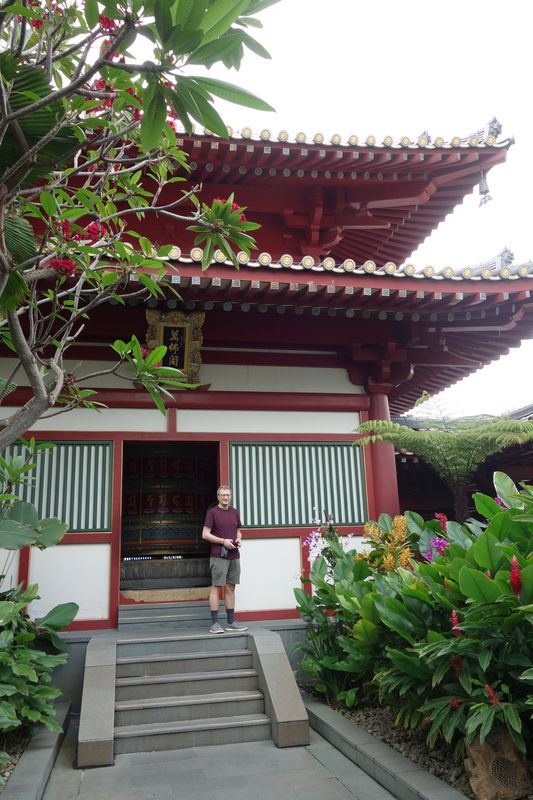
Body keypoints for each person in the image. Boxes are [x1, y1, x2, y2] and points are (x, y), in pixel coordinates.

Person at [201, 485, 248, 634]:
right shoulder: (212, 512)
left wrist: (238, 540)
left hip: (234, 555)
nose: (226, 497)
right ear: (218, 497)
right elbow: (205, 534)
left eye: (228, 495)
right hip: (218, 555)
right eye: (223, 495)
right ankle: (214, 624)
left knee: (230, 587)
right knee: (216, 587)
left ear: (231, 496)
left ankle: (231, 621)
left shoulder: (234, 512)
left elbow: (238, 532)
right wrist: (223, 541)